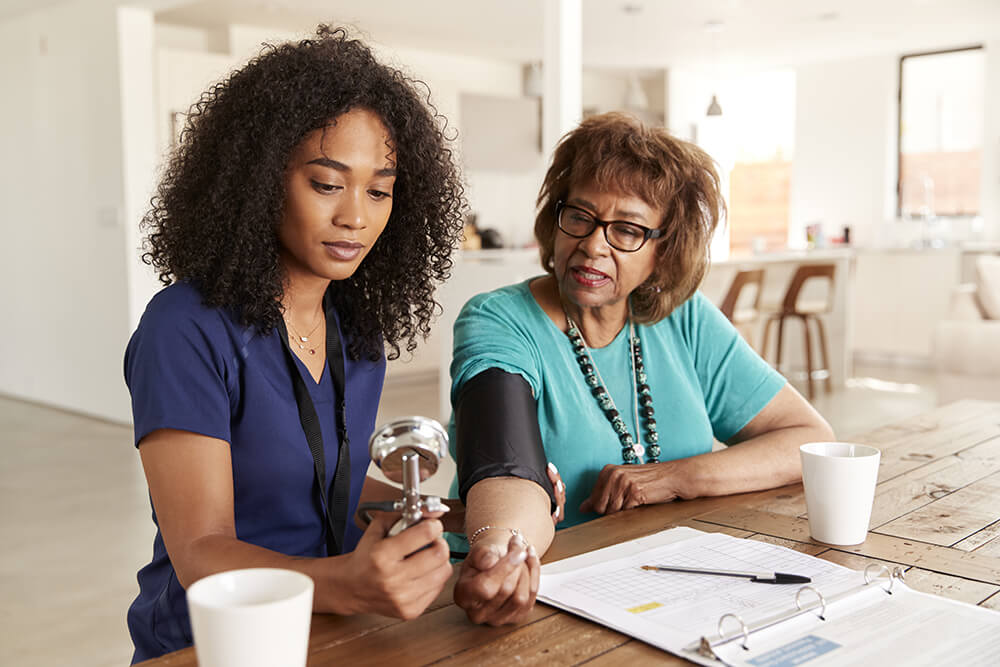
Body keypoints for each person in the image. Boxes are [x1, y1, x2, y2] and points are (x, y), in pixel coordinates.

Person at [124, 26, 467, 663]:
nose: (356, 217)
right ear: (258, 182)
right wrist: (350, 583)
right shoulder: (185, 329)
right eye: (327, 184)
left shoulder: (356, 330)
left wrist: (455, 512)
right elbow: (201, 552)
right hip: (211, 645)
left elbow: (324, 485)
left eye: (379, 189)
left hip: (333, 634)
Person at [450, 112, 834, 625]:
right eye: (580, 217)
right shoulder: (497, 319)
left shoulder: (686, 319)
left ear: (664, 250)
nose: (593, 244)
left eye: (627, 229)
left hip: (669, 585)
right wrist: (504, 552)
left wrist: (674, 477)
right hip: (544, 593)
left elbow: (806, 438)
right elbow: (505, 464)